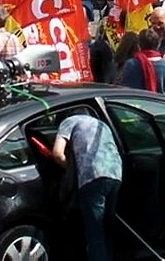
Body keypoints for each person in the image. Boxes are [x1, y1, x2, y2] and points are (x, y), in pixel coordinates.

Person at [52, 111, 122, 261]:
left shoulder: (68, 122)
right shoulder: (102, 125)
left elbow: (57, 153)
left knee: (95, 234)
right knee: (107, 229)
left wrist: (70, 169)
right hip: (115, 174)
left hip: (92, 176)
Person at [119, 29, 165, 95]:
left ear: (139, 45)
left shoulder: (131, 64)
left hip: (135, 103)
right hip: (160, 103)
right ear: (158, 45)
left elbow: (124, 89)